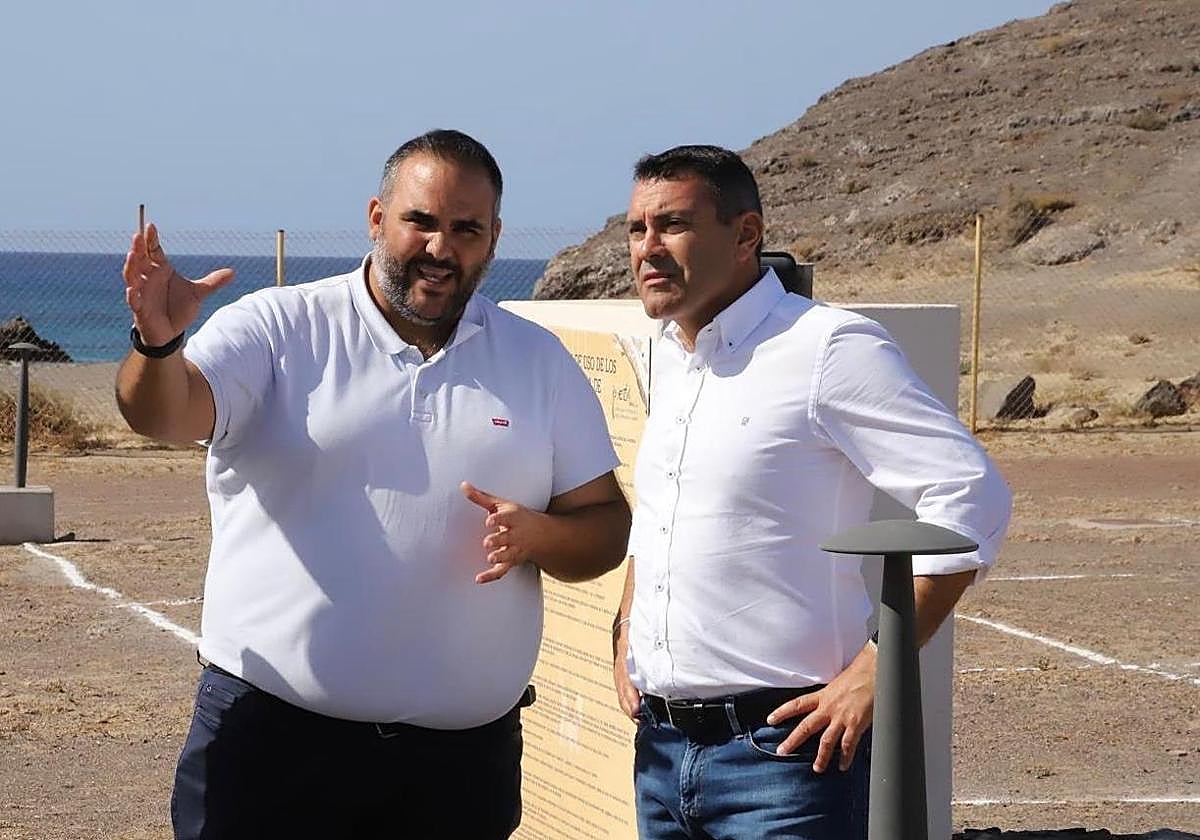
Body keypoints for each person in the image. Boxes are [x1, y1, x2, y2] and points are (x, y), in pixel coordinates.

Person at [116, 129, 631, 840]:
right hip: (273, 755)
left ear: (494, 237)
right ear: (376, 218)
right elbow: (163, 412)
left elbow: (605, 525)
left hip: (459, 774)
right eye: (420, 221)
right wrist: (158, 345)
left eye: (466, 229)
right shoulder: (280, 328)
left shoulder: (538, 361)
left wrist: (544, 535)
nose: (440, 248)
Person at [610, 145, 1012, 839]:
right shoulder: (677, 354)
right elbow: (662, 516)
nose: (648, 248)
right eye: (636, 228)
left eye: (672, 224)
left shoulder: (829, 347)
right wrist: (626, 631)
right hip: (660, 754)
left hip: (784, 759)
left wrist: (878, 670)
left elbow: (971, 496)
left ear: (745, 234)